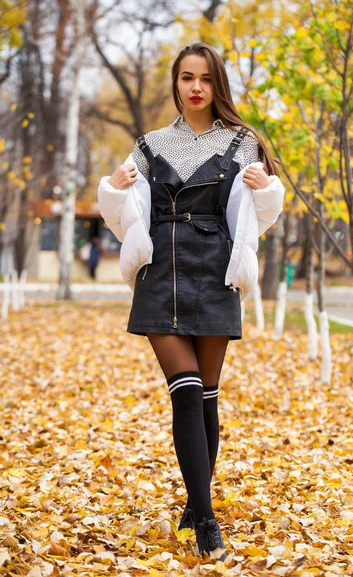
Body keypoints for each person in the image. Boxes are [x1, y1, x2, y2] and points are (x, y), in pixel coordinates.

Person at [97, 42, 285, 561]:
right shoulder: (149, 144)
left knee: (205, 396)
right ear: (176, 83)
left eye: (204, 78)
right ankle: (205, 521)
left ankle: (193, 500)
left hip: (215, 273)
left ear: (215, 84)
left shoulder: (242, 143)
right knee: (183, 391)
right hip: (161, 274)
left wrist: (266, 188)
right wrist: (111, 191)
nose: (195, 86)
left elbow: (259, 217)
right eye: (186, 77)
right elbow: (122, 211)